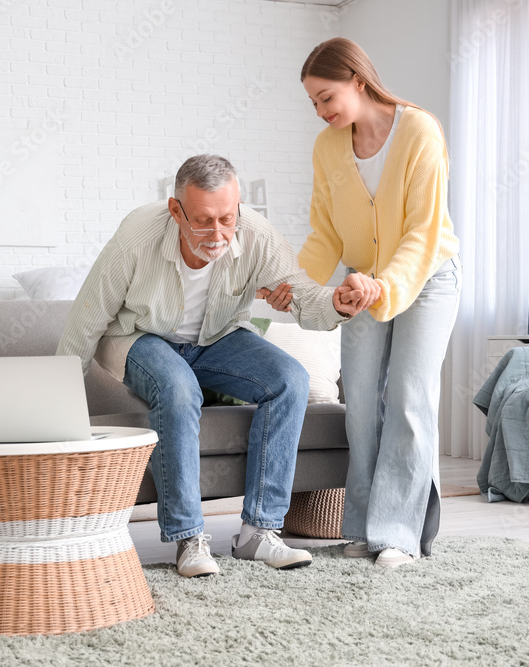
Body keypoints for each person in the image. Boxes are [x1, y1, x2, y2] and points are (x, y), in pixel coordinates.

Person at [57, 154, 373, 578]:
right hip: (138, 336)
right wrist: (55, 404)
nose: (219, 233)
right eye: (204, 220)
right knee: (177, 387)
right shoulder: (136, 237)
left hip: (216, 338)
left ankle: (258, 532)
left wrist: (336, 302)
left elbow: (300, 295)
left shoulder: (256, 235)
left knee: (290, 380)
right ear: (176, 211)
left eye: (228, 218)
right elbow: (88, 317)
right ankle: (189, 537)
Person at [263, 38, 461, 568]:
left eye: (327, 98)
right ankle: (366, 529)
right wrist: (291, 283)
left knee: (408, 398)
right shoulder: (328, 148)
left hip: (426, 278)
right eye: (315, 105)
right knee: (360, 409)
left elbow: (422, 232)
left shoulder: (419, 131)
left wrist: (384, 286)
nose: (323, 112)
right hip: (361, 284)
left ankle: (397, 536)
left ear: (357, 79)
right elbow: (325, 234)